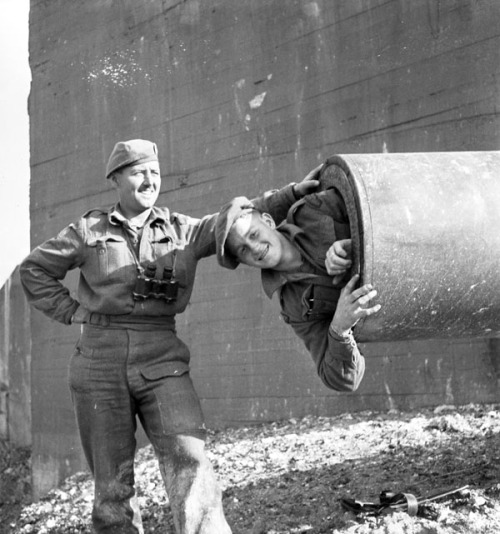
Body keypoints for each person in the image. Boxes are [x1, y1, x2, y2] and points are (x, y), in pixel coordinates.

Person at [19, 139, 320, 534]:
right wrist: (72, 311)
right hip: (98, 360)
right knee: (111, 483)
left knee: (190, 457)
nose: (149, 180)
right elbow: (34, 270)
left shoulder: (184, 231)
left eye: (155, 173)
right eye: (138, 172)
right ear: (116, 179)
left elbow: (236, 218)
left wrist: (293, 194)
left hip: (162, 356)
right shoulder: (86, 231)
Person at [215, 187, 381, 392]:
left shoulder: (312, 211)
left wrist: (355, 246)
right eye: (243, 250)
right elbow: (343, 379)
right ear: (243, 262)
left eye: (254, 234)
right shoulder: (296, 307)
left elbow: (374, 198)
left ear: (268, 221)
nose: (255, 248)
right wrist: (340, 328)